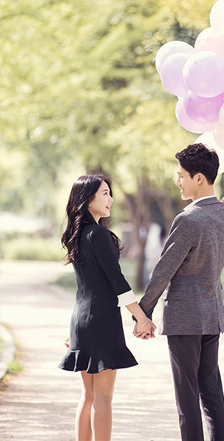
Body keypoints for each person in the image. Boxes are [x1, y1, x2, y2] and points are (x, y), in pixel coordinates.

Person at [134, 143, 224, 441]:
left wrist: (143, 312)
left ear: (199, 178)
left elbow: (164, 270)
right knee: (211, 393)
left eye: (181, 174)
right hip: (212, 316)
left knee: (187, 399)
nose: (177, 180)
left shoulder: (188, 219)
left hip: (185, 318)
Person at [59, 174, 156, 441]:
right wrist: (142, 318)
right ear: (88, 199)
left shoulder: (77, 234)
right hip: (102, 321)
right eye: (104, 193)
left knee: (88, 396)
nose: (110, 199)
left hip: (80, 320)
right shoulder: (99, 234)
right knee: (102, 398)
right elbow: (118, 282)